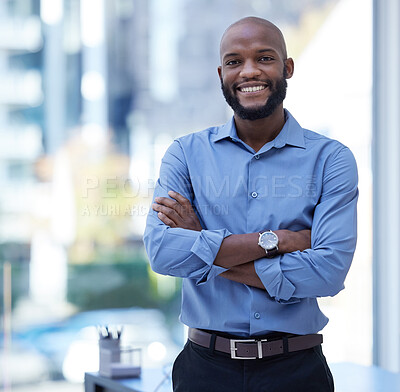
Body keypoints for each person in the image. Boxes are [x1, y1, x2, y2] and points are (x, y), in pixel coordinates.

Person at [143, 16, 358, 392]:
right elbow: (162, 252)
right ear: (220, 73)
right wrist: (278, 240)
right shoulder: (185, 154)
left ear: (287, 67)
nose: (248, 71)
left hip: (297, 372)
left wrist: (204, 244)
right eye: (233, 62)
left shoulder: (331, 160)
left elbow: (327, 272)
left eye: (264, 58)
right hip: (203, 372)